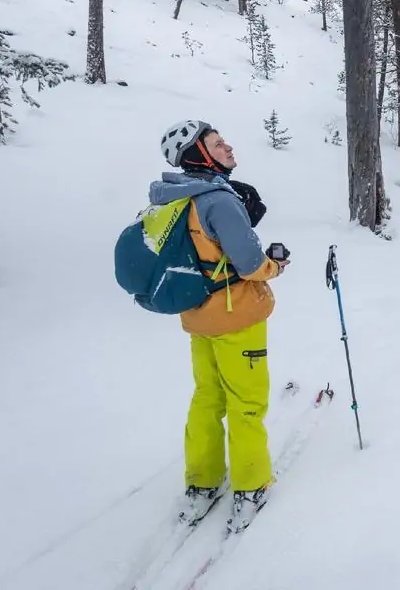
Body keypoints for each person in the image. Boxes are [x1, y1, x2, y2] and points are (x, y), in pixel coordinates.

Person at [151, 119, 289, 531]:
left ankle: (203, 482)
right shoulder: (217, 199)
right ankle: (250, 484)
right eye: (217, 143)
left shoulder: (171, 195)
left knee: (207, 399)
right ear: (199, 155)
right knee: (245, 403)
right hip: (237, 317)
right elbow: (250, 266)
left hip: (196, 315)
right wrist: (276, 265)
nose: (228, 147)